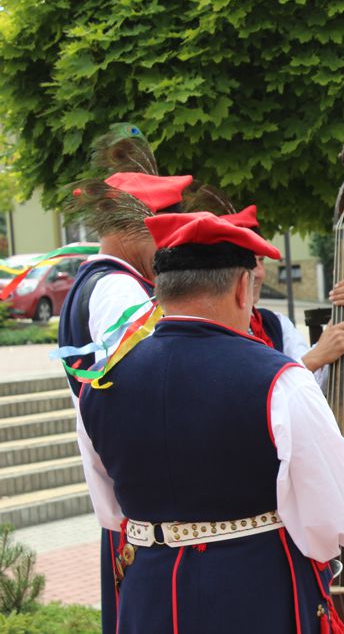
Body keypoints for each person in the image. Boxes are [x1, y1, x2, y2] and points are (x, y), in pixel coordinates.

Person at [77, 211, 344, 633]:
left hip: (148, 592)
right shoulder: (280, 379)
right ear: (242, 287)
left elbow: (110, 510)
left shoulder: (100, 383)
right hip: (253, 590)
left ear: (160, 290)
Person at [58, 169, 190, 634]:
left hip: (130, 510)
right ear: (131, 228)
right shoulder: (118, 290)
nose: (169, 249)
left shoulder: (99, 283)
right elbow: (152, 398)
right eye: (162, 234)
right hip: (144, 515)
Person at [222, 205, 344, 380]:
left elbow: (314, 385)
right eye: (251, 263)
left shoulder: (276, 324)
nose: (259, 273)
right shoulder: (209, 333)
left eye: (261, 261)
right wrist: (315, 358)